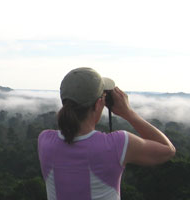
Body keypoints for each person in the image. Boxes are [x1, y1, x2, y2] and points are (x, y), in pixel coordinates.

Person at [37, 67, 176, 200]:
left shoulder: (45, 141)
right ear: (98, 104)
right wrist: (128, 113)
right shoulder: (117, 144)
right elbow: (168, 150)